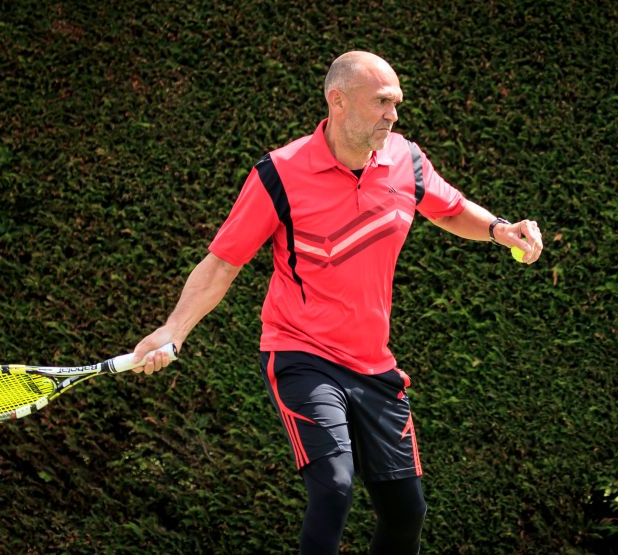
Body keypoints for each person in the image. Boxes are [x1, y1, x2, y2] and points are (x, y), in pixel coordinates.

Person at [131, 51, 543, 555]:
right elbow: (222, 263)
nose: (393, 114)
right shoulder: (279, 173)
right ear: (338, 101)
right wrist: (174, 330)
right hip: (301, 355)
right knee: (334, 484)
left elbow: (450, 209)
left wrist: (502, 230)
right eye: (383, 102)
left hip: (374, 365)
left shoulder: (405, 159)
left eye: (397, 103)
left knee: (406, 511)